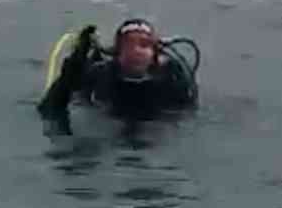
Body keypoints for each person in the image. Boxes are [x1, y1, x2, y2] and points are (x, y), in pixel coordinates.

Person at [37, 18, 198, 134]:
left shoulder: (170, 77)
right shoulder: (100, 75)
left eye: (144, 44)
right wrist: (69, 75)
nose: (136, 52)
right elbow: (49, 111)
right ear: (116, 53)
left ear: (155, 54)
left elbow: (188, 114)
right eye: (128, 45)